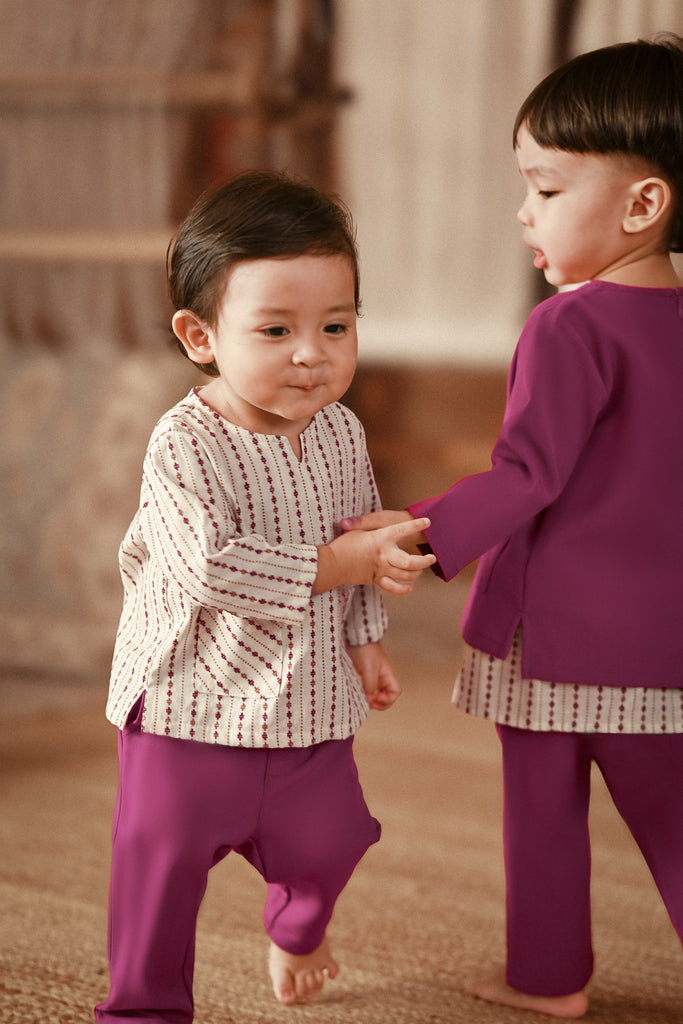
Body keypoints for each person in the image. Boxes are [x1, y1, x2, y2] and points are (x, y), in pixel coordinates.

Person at [344, 35, 683, 1019]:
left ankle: (548, 977)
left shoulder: (568, 326)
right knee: (671, 824)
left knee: (541, 813)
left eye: (544, 187)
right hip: (661, 638)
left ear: (640, 205)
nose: (521, 211)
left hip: (555, 637)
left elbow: (527, 475)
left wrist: (417, 529)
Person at [94, 170, 434, 1023]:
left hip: (307, 702)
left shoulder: (342, 430)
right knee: (157, 870)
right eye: (276, 329)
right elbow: (211, 567)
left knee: (334, 840)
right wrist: (345, 563)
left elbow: (359, 534)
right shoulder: (183, 444)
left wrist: (364, 640)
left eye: (335, 326)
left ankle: (297, 924)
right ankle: (143, 1008)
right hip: (188, 709)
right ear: (201, 336)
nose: (311, 353)